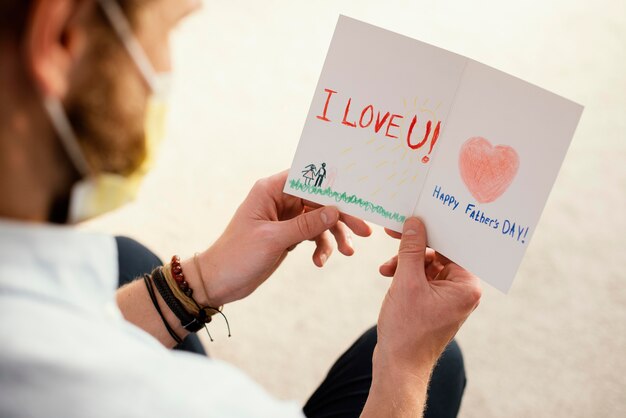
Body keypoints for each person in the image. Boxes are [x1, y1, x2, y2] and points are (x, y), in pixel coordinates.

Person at [0, 1, 482, 417]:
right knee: (444, 363)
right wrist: (405, 367)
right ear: (60, 38)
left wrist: (201, 281)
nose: (165, 69)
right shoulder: (184, 404)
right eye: (167, 29)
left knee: (129, 260)